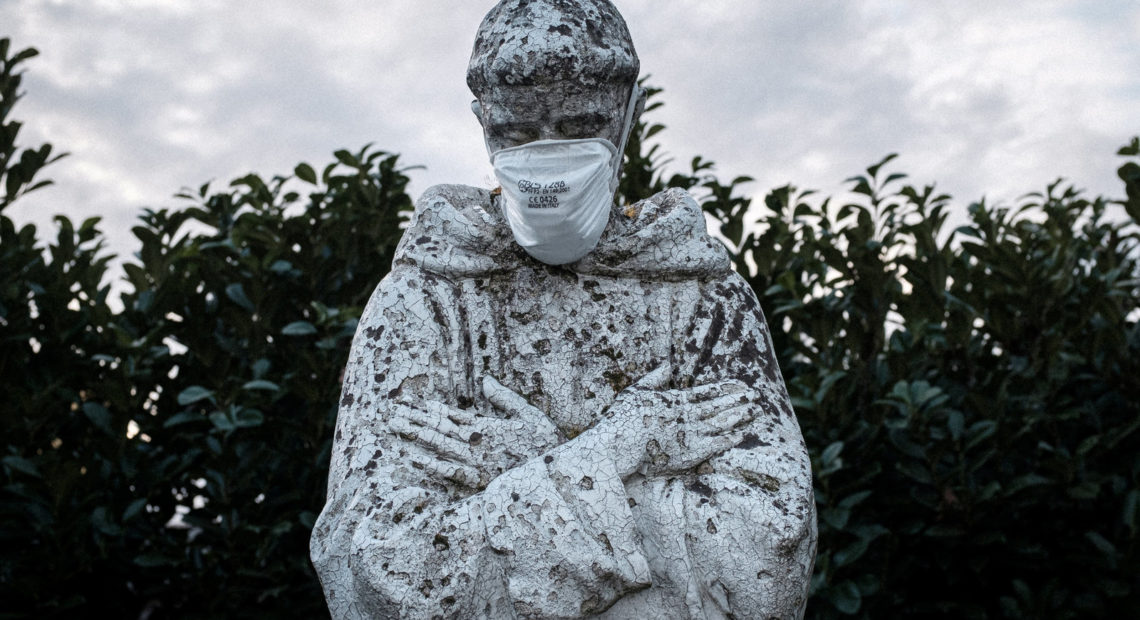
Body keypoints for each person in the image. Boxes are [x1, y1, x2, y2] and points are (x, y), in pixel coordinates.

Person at [310, 1, 816, 617]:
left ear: (628, 114)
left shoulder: (701, 295)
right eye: (517, 131)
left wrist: (523, 474)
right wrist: (616, 452)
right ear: (482, 122)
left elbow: (765, 567)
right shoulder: (420, 303)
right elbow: (374, 577)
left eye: (580, 125)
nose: (548, 154)